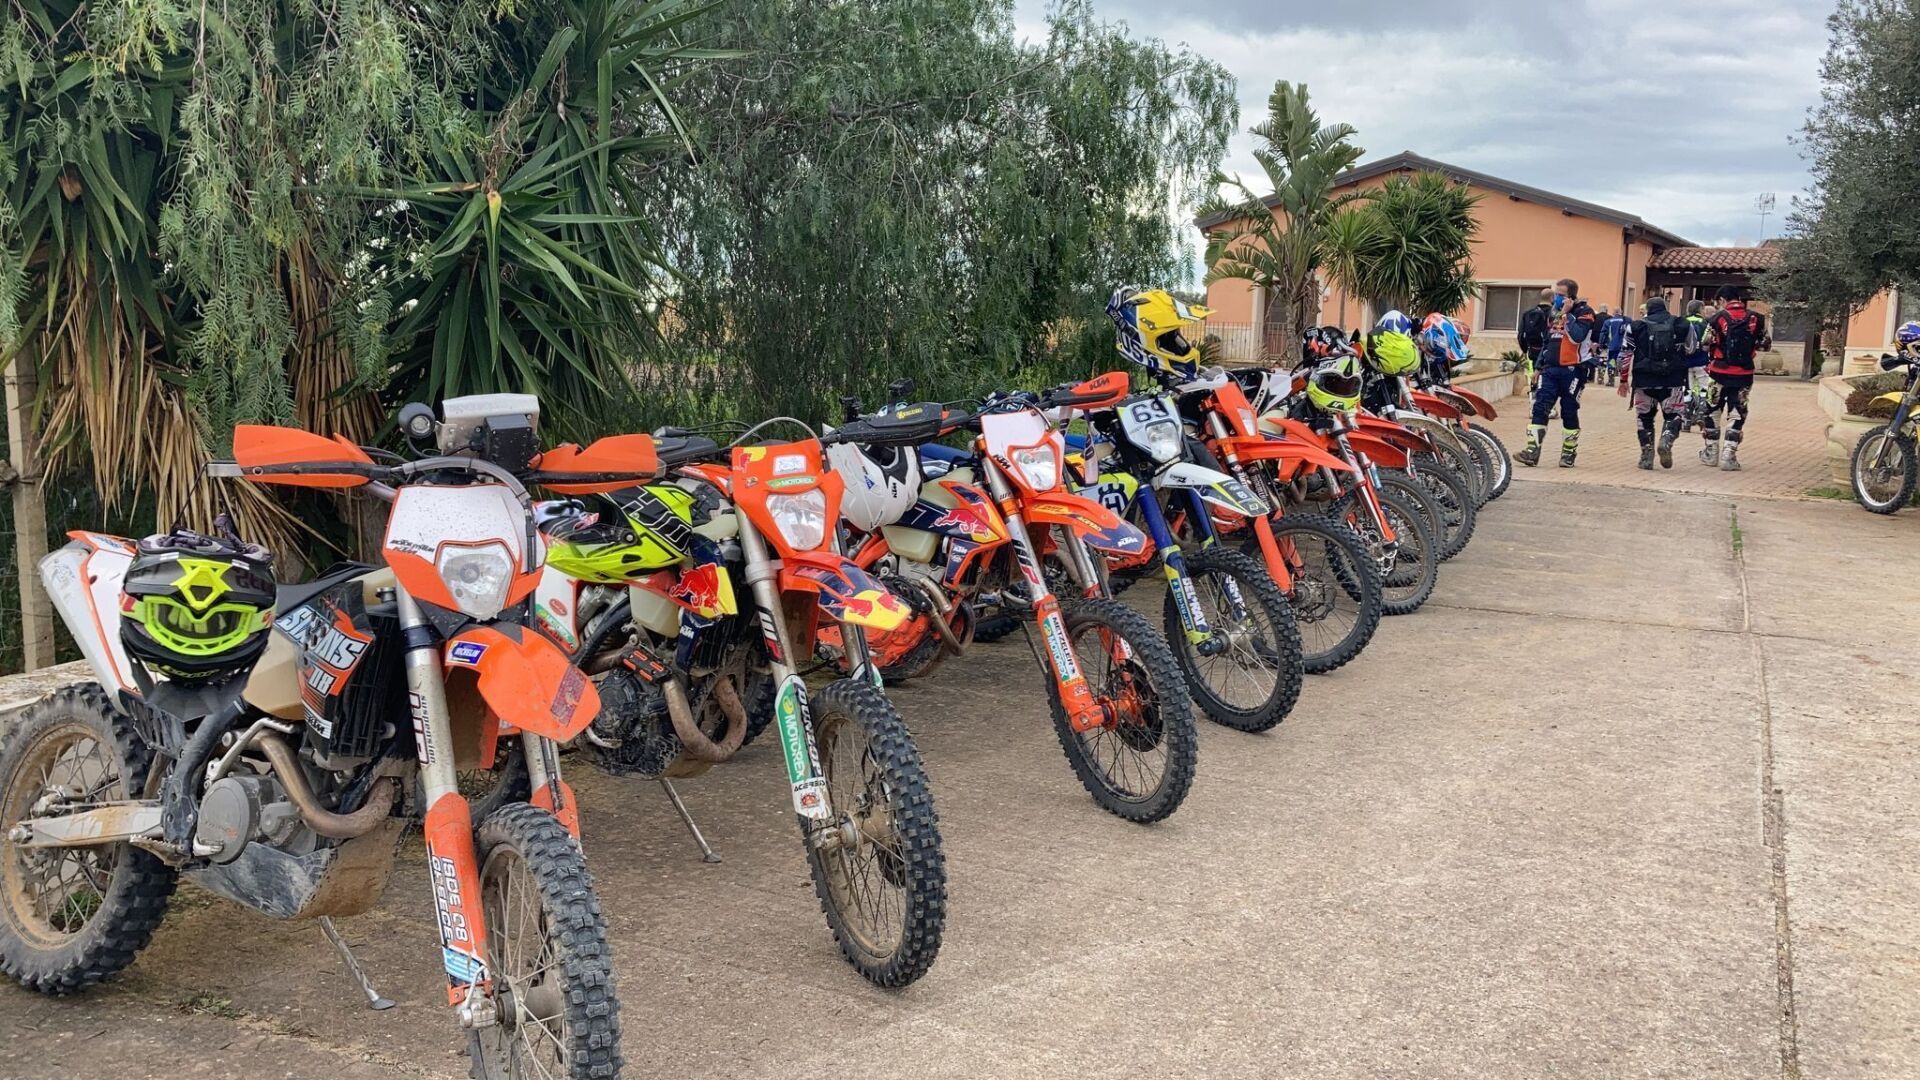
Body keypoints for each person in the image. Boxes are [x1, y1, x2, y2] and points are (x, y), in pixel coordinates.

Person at [1516, 278, 1596, 468]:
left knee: (1569, 411)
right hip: (1550, 370)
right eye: (1556, 294)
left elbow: (1577, 336)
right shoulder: (1553, 313)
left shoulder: (1585, 313)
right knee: (1540, 407)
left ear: (1572, 297)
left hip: (1574, 369)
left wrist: (1567, 315)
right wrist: (1538, 366)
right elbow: (1548, 341)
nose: (1556, 299)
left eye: (1561, 295)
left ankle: (1568, 453)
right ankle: (1532, 451)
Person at [1620, 295, 1698, 470]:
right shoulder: (1682, 324)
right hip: (1673, 379)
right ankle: (1667, 438)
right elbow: (1692, 348)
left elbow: (1624, 354)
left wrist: (1623, 379)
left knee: (1644, 416)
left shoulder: (1635, 326)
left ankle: (1646, 455)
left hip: (1644, 379)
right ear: (1666, 308)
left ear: (1647, 309)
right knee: (1674, 413)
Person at [1699, 288, 1770, 470]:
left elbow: (1705, 343)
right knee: (1738, 412)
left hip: (1718, 372)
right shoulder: (1757, 319)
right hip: (1744, 375)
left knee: (1713, 409)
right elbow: (1765, 345)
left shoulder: (1717, 318)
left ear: (1723, 300)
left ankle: (1711, 453)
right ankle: (1728, 456)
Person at [1602, 305, 1631, 385]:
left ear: (1614, 312)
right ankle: (1623, 379)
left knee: (1612, 361)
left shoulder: (1608, 322)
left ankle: (1611, 380)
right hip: (1624, 345)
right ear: (1621, 312)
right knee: (1623, 361)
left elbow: (1603, 334)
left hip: (1612, 345)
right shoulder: (1627, 320)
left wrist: (1602, 344)